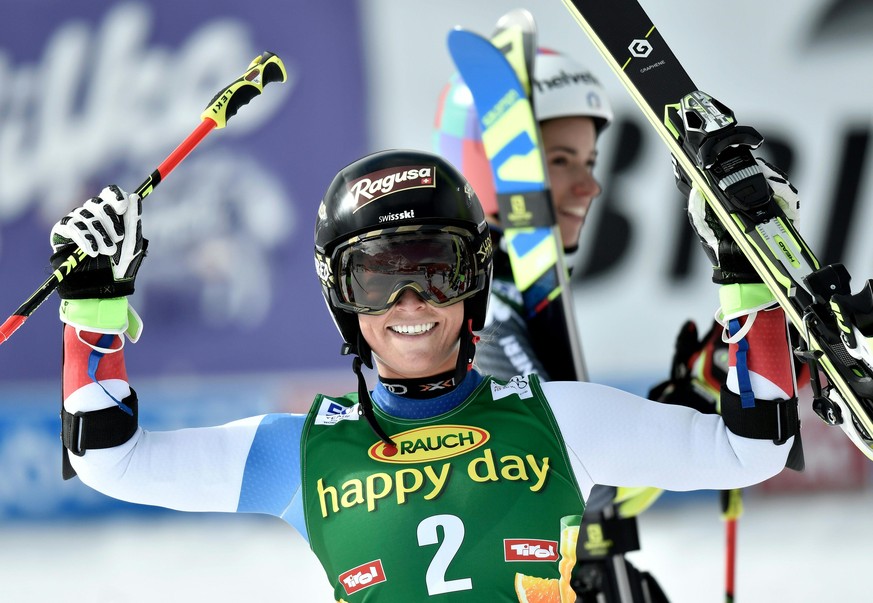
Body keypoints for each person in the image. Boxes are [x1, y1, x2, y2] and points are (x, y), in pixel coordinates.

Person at [53, 149, 799, 602]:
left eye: (435, 271)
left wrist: (744, 271)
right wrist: (94, 304)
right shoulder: (300, 453)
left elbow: (750, 447)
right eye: (377, 279)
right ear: (342, 298)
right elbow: (110, 458)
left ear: (472, 281)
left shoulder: (559, 420)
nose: (410, 304)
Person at [434, 47, 687, 602]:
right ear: (490, 165)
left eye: (590, 161)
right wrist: (693, 419)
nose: (591, 187)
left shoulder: (500, 298)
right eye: (559, 161)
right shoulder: (481, 322)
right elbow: (572, 478)